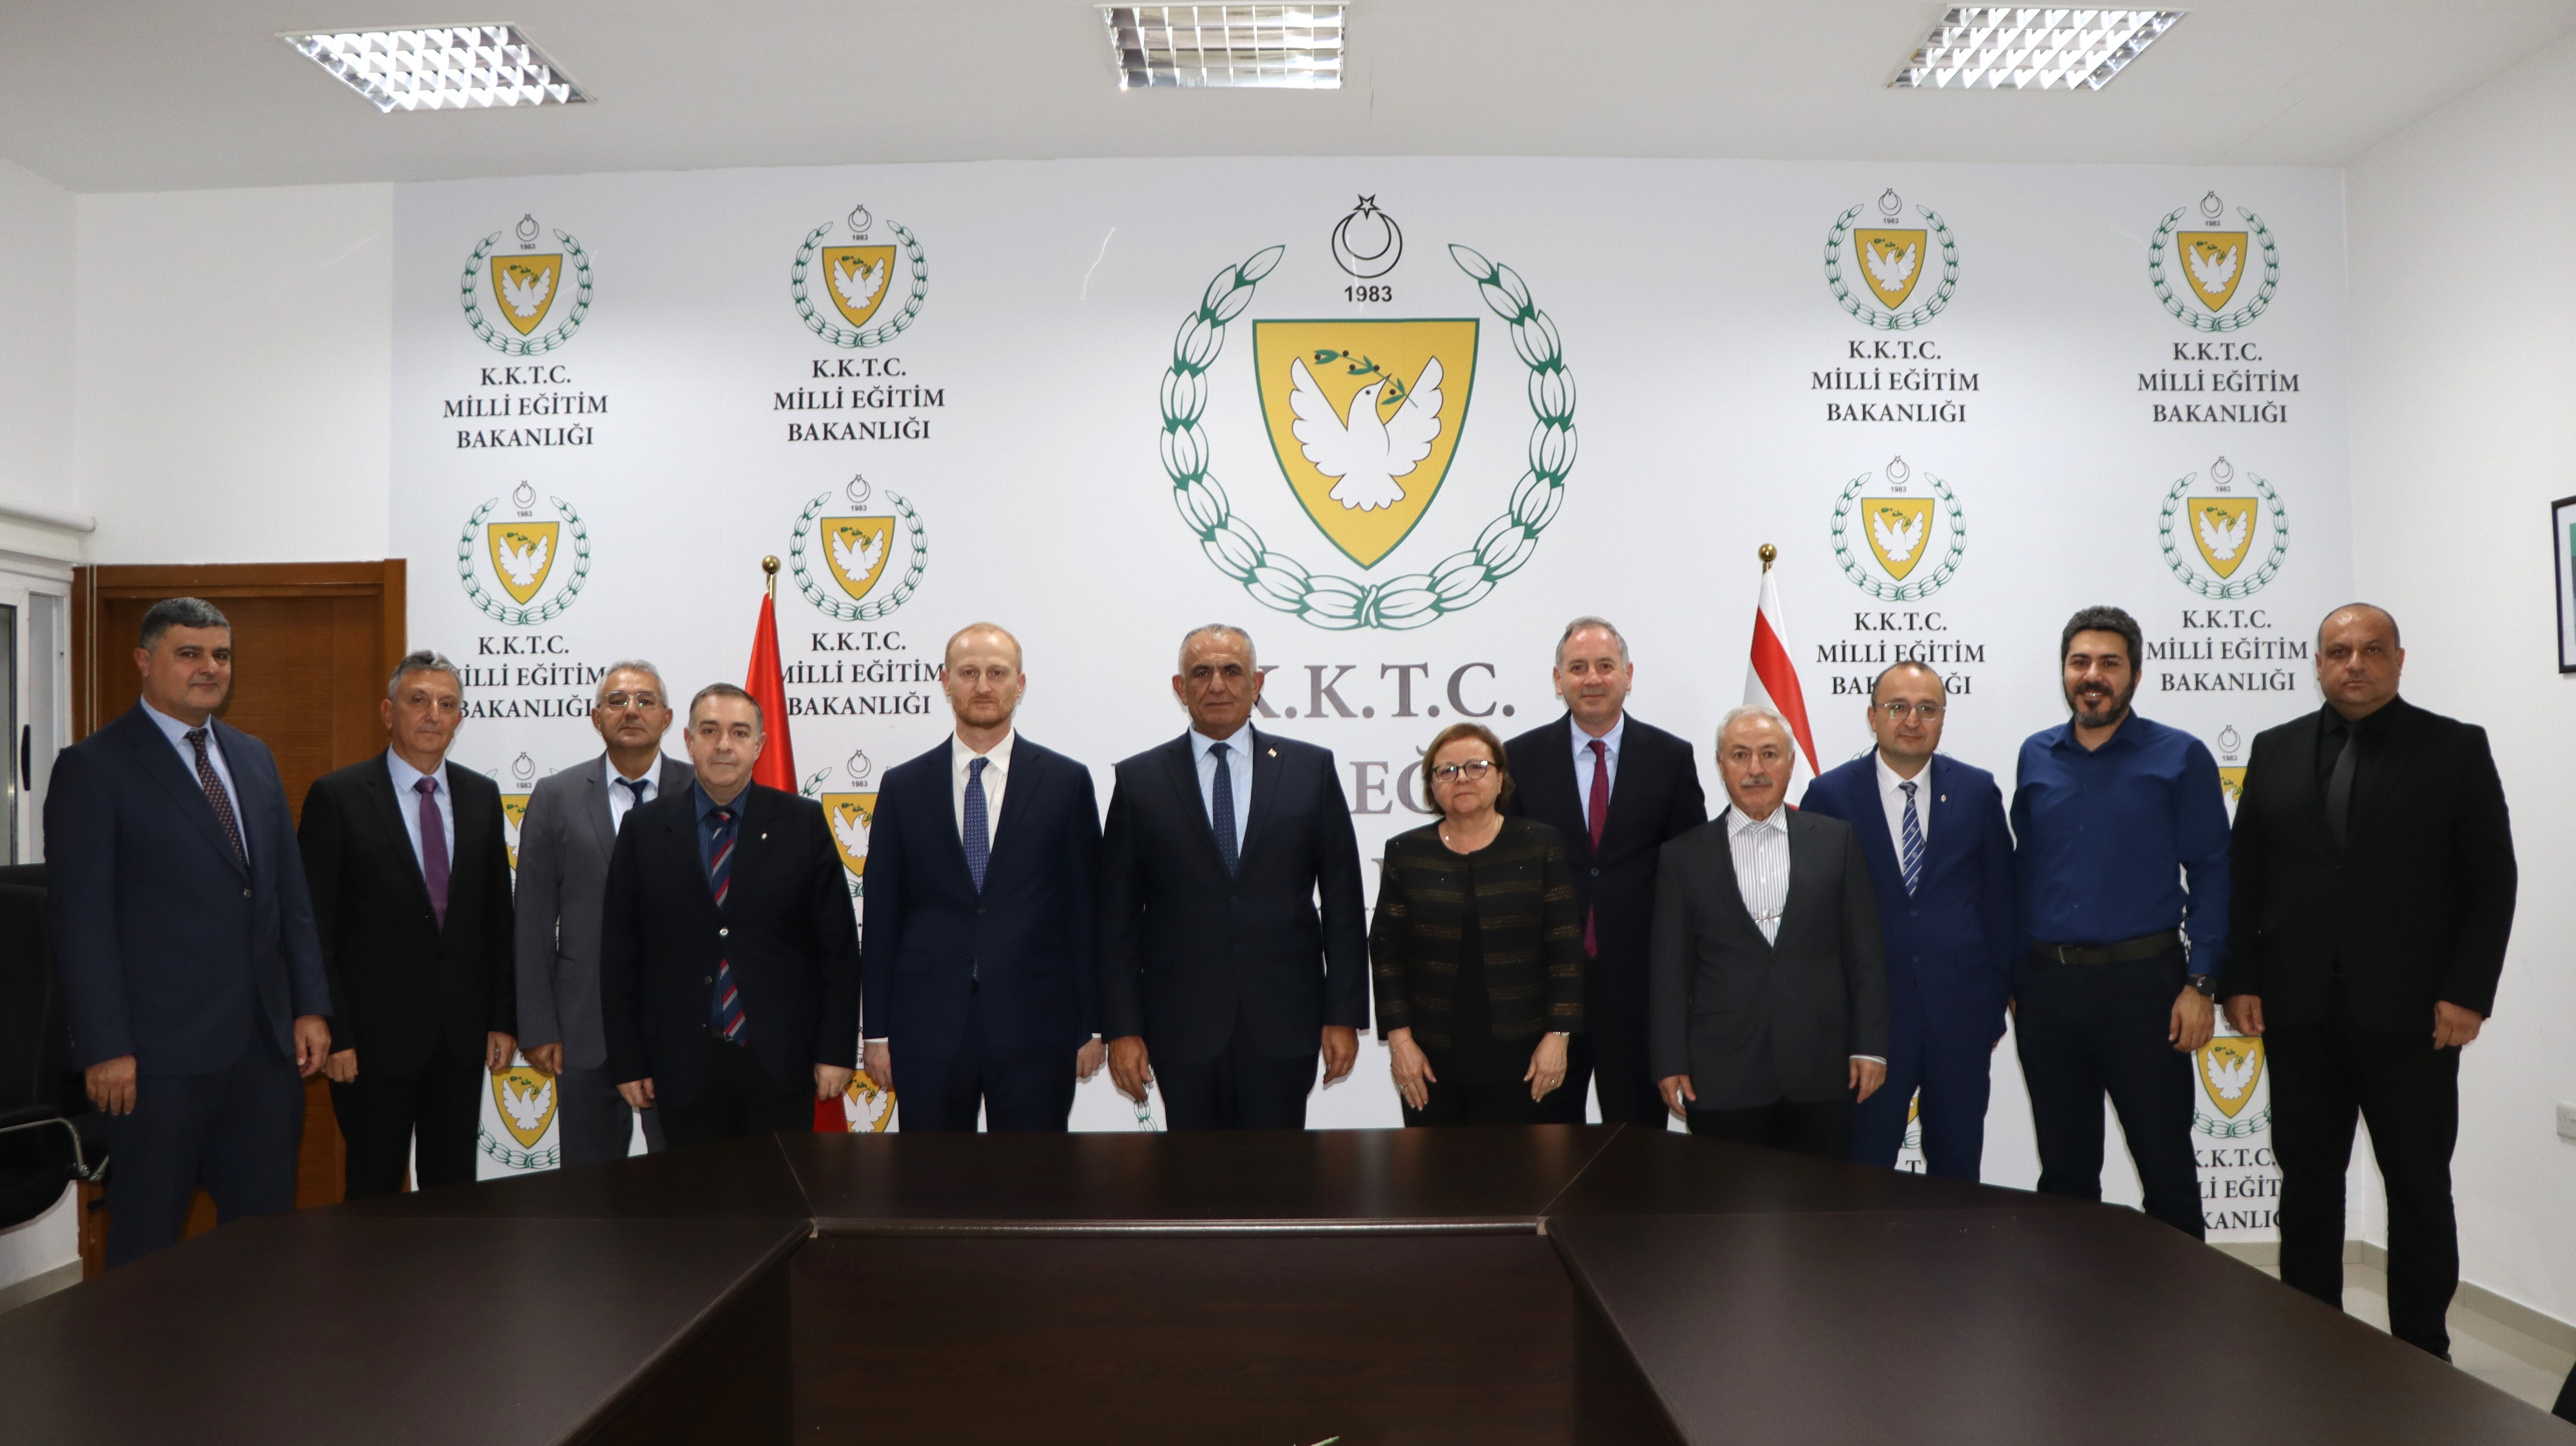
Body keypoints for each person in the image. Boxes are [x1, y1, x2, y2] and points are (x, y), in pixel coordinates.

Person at [2222, 604, 2515, 1359]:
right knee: (2308, 1185)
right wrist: (2239, 979)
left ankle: (2422, 1353)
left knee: (2419, 1189)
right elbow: (2246, 876)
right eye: (2340, 650)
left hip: (2414, 1017)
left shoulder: (2454, 748)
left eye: (2373, 649)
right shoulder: (2276, 748)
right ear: (2318, 662)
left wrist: (2468, 993)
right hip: (2297, 1011)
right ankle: (2308, 1341)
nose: (2356, 663)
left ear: (2399, 660)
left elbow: (2492, 882)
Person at [44, 597, 332, 1266]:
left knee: (264, 1246)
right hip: (155, 1061)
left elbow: (289, 896)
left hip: (263, 1054)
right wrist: (105, 1047)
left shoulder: (253, 757)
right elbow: (80, 922)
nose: (210, 668)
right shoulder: (95, 767)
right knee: (147, 1249)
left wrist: (310, 1006)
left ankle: (253, 1340)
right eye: (190, 654)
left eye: (221, 655)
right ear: (144, 661)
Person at [2011, 605, 2227, 1238]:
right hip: (2049, 992)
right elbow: (2025, 871)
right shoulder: (2035, 755)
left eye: (2110, 663)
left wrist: (2202, 983)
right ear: (2064, 671)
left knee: (2167, 1170)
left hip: (2146, 990)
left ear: (2135, 673)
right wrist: (2017, 977)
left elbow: (2213, 871)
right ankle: (2074, 1299)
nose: (2093, 675)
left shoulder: (2180, 755)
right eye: (2080, 662)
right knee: (2065, 1175)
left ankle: (2179, 1299)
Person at [1099, 624, 1368, 1130]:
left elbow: (1344, 903)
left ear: (1257, 683)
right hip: (1181, 1024)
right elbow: (1117, 920)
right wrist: (1122, 1028)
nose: (1217, 684)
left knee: (1280, 1171)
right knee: (1192, 1173)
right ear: (1180, 688)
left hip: (1285, 1020)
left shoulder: (1310, 769)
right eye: (1201, 672)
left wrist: (1343, 1013)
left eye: (1232, 671)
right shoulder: (1140, 780)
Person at [860, 624, 1104, 1131]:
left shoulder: (1066, 782)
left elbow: (1086, 910)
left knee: (1032, 1174)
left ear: (1021, 683)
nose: (983, 686)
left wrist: (1093, 1025)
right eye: (969, 672)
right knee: (932, 1175)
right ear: (946, 681)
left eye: (998, 672)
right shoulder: (903, 785)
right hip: (926, 1025)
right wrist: (876, 1032)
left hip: (1037, 1022)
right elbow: (882, 915)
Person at [599, 684, 859, 1148]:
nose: (724, 744)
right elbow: (621, 954)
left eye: (739, 732)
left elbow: (838, 950)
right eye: (710, 731)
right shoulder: (644, 829)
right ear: (688, 740)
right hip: (681, 1065)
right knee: (696, 1196)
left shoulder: (802, 823)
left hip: (780, 1062)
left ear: (759, 745)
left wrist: (836, 1051)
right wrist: (628, 1060)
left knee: (778, 1192)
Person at [297, 651, 517, 1197]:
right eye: (418, 700)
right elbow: (314, 926)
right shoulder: (338, 797)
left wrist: (503, 1018)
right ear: (388, 712)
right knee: (373, 1196)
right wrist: (335, 1030)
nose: (433, 714)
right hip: (371, 1043)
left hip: (460, 1038)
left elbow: (497, 917)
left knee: (453, 1196)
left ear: (460, 718)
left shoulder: (481, 795)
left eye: (447, 703)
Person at [1799, 661, 2014, 1180]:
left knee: (1957, 1176)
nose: (1912, 720)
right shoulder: (1829, 795)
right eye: (1897, 707)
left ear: (1943, 718)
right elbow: (1813, 922)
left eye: (1927, 708)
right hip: (1867, 1030)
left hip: (1959, 1023)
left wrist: (1991, 1006)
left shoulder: (1977, 790)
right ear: (1872, 716)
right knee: (1860, 1176)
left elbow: (2002, 905)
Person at [1649, 707, 1888, 1158]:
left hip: (1822, 1071)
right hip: (1721, 1076)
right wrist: (1669, 1059)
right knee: (1727, 1201)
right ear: (1721, 764)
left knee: (1822, 1201)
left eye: (1769, 754)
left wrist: (1872, 1048)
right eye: (1740, 755)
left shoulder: (1836, 841)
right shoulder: (1682, 856)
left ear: (1791, 763)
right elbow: (1669, 972)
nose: (1755, 769)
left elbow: (1866, 955)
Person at [1501, 617, 1705, 1125]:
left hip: (1638, 995)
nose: (1592, 678)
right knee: (1545, 1153)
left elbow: (1693, 875)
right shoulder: (1518, 759)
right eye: (1578, 667)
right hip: (1545, 999)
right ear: (1558, 680)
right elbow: (1507, 876)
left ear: (1628, 675)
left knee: (1636, 1153)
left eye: (1605, 665)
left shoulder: (1671, 757)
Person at [513, 662, 693, 1164]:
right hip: (582, 1026)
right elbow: (532, 920)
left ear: (667, 718)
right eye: (617, 701)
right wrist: (539, 1025)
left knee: (688, 1182)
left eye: (645, 700)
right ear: (596, 717)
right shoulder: (556, 796)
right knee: (589, 1190)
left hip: (679, 1026)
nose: (631, 710)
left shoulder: (699, 790)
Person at [1372, 723, 1582, 1125]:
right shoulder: (1406, 852)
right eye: (1447, 770)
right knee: (1432, 1165)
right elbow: (1386, 955)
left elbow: (1565, 947)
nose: (1462, 778)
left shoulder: (1539, 845)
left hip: (1526, 1055)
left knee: (1520, 1164)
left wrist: (1558, 1037)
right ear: (1432, 786)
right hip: (1428, 1059)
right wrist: (1401, 1044)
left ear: (1501, 778)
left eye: (1476, 766)